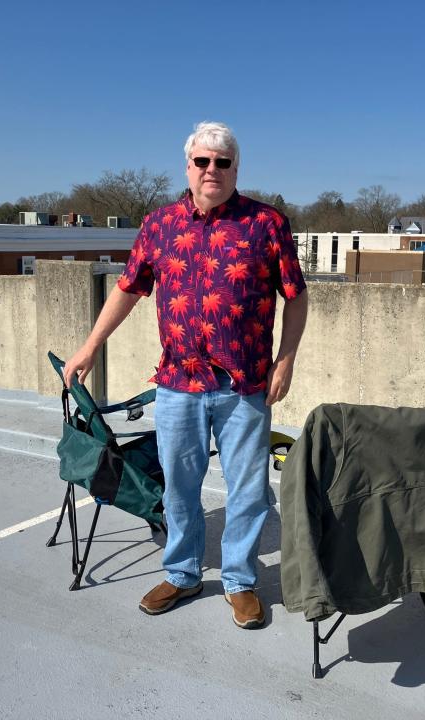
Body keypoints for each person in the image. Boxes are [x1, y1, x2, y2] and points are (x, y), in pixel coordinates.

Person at [64, 121, 308, 629]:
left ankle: (240, 580)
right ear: (188, 167)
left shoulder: (266, 224)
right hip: (177, 384)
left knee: (246, 488)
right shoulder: (159, 225)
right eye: (202, 161)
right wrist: (90, 346)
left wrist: (286, 359)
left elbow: (296, 294)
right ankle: (182, 571)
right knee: (180, 485)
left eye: (222, 162)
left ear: (236, 168)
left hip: (244, 384)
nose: (211, 170)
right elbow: (129, 288)